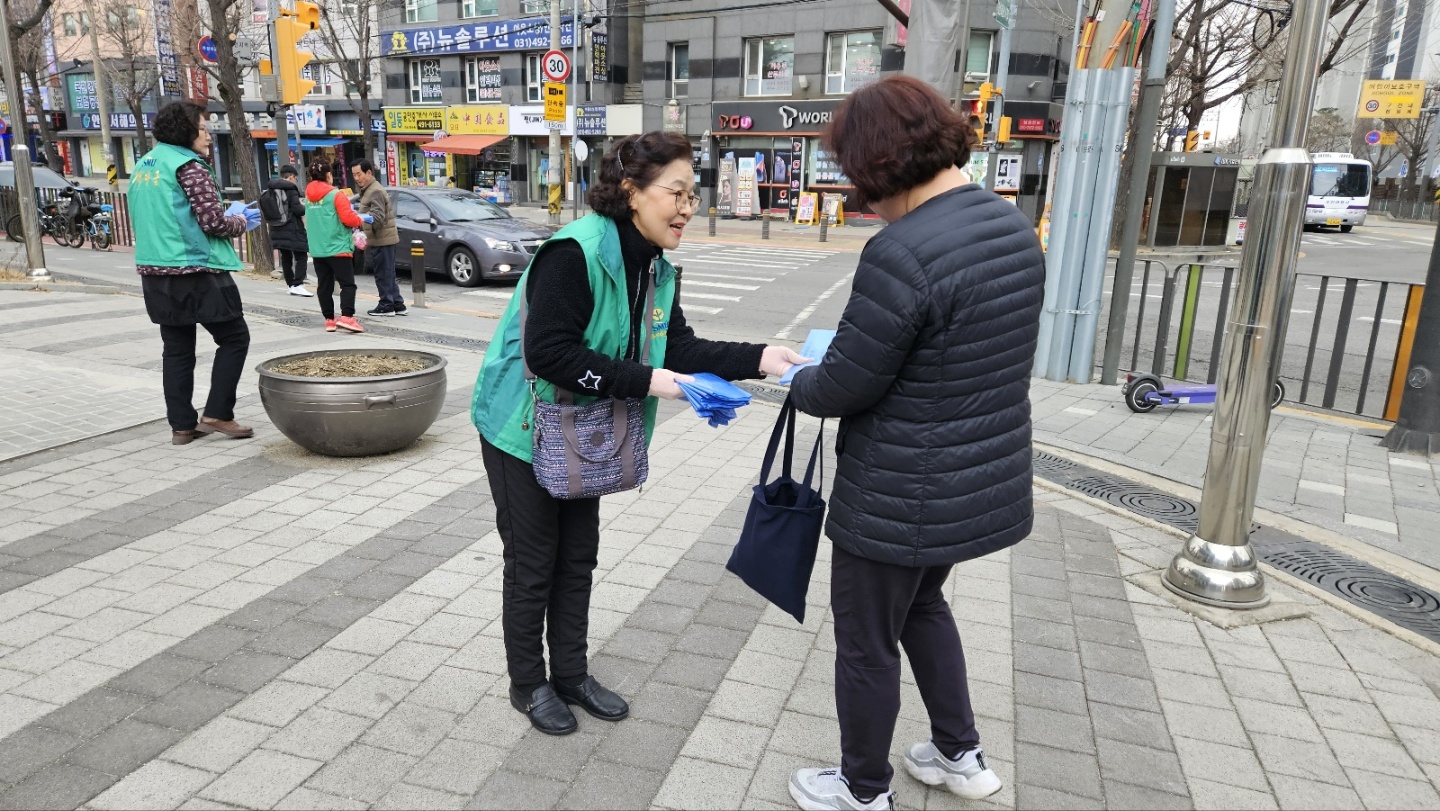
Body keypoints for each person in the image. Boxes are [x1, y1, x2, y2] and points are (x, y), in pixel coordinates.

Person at [471, 131, 806, 736]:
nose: (687, 207)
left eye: (691, 195)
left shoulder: (652, 263)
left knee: (578, 557)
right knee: (533, 562)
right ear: (630, 190)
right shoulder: (573, 254)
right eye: (675, 192)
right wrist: (656, 383)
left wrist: (764, 357)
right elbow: (548, 353)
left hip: (581, 426)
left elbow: (678, 345)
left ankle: (570, 674)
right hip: (522, 427)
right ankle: (528, 683)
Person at [785, 75, 1046, 811]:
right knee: (925, 606)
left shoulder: (902, 252)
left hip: (900, 488)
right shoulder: (1009, 227)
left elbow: (844, 387)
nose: (862, 195)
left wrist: (801, 379)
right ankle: (960, 754)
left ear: (882, 163)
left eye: (859, 175)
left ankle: (863, 791)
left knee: (867, 639)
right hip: (975, 477)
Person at [130, 100, 263, 446]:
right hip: (195, 270)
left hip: (154, 273)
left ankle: (182, 426)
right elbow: (214, 223)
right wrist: (239, 220)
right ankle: (218, 413)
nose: (207, 135)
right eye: (203, 128)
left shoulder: (145, 165)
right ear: (186, 131)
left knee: (176, 349)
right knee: (234, 337)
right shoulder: (189, 167)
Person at [304, 157, 371, 333]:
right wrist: (359, 219)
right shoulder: (336, 195)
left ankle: (329, 320)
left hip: (318, 249)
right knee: (347, 284)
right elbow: (348, 219)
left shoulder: (309, 196)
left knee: (324, 285)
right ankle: (347, 317)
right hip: (338, 247)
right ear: (328, 175)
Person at [351, 159, 405, 316]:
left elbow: (378, 217)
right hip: (382, 239)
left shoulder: (374, 191)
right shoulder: (369, 189)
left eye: (359, 174)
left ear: (368, 172)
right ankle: (397, 303)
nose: (356, 178)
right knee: (388, 272)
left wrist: (359, 217)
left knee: (383, 273)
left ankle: (386, 305)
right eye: (354, 175)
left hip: (382, 239)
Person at [263, 164, 312, 297]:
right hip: (292, 228)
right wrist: (307, 205)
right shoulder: (290, 189)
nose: (295, 181)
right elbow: (297, 209)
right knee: (301, 255)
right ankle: (298, 284)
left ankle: (290, 284)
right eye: (295, 178)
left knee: (286, 256)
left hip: (277, 227)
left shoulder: (272, 188)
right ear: (290, 177)